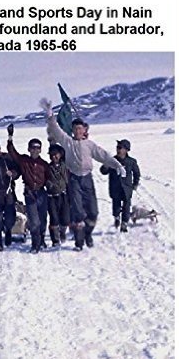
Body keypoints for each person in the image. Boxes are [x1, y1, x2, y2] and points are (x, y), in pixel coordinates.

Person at [40, 98, 126, 251]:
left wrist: (117, 165)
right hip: (74, 179)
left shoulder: (89, 145)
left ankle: (87, 234)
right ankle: (79, 242)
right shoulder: (68, 142)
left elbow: (103, 155)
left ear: (84, 130)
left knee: (93, 212)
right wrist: (49, 114)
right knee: (78, 212)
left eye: (81, 129)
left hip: (87, 178)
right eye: (75, 129)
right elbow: (55, 129)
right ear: (72, 131)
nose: (78, 131)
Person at [7, 124, 50, 253]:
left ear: (40, 150)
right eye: (33, 148)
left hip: (42, 194)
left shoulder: (44, 165)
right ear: (29, 149)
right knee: (34, 221)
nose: (35, 151)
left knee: (42, 219)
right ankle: (35, 244)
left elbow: (49, 179)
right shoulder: (24, 161)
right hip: (30, 194)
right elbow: (12, 152)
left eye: (37, 148)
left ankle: (42, 240)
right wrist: (10, 137)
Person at [100, 139, 141, 232]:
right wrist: (106, 165)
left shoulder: (131, 161)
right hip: (115, 188)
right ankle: (117, 217)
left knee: (127, 206)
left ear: (126, 150)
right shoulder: (112, 160)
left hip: (127, 188)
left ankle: (124, 224)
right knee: (116, 206)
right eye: (117, 147)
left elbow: (137, 173)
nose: (118, 149)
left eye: (120, 148)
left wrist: (135, 184)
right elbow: (103, 171)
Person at [46, 144, 70, 246]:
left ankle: (63, 233)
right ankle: (55, 239)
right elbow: (44, 179)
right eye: (51, 155)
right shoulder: (47, 167)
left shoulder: (65, 166)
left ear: (60, 155)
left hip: (64, 195)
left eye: (56, 154)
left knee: (65, 218)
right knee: (54, 218)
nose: (53, 157)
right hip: (52, 196)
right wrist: (48, 184)